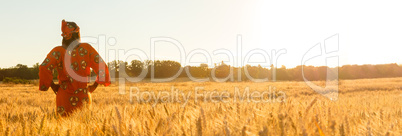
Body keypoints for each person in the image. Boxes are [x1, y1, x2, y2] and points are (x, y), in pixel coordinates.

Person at [39, 20, 110, 116]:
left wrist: (53, 86)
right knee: (84, 126)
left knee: (63, 128)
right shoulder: (87, 48)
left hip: (63, 96)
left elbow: (44, 67)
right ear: (77, 34)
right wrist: (93, 86)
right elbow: (102, 66)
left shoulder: (57, 51)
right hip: (83, 95)